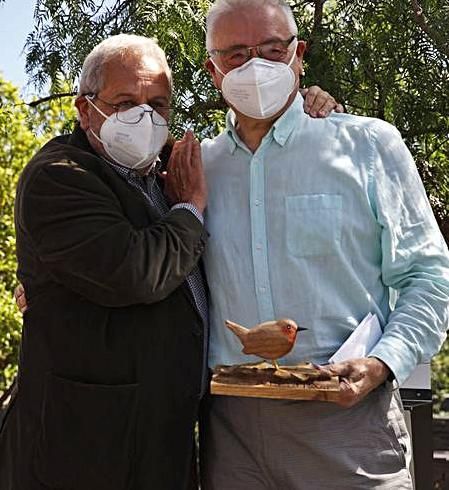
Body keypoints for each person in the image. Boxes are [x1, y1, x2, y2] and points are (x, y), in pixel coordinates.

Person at [3, 34, 338, 490]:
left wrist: (311, 106)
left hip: (166, 442)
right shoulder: (60, 176)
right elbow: (136, 272)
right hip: (83, 449)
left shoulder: (164, 170)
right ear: (85, 110)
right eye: (125, 102)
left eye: (158, 105)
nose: (144, 117)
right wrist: (191, 209)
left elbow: (252, 149)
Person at [199, 0, 449, 489]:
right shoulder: (197, 170)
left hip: (349, 422)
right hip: (230, 433)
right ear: (212, 70)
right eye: (236, 54)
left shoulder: (368, 146)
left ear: (299, 55)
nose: (256, 66)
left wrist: (382, 362)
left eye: (273, 49)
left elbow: (429, 274)